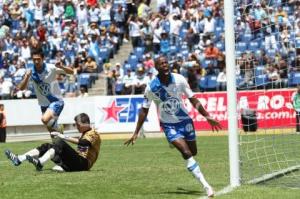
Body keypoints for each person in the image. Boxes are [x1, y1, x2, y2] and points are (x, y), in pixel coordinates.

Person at [124, 56, 222, 197]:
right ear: (156, 67)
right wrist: (136, 132)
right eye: (161, 63)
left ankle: (173, 142)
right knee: (186, 153)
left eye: (166, 63)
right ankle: (207, 186)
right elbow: (144, 110)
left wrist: (207, 116)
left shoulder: (179, 79)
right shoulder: (151, 87)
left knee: (193, 152)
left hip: (185, 121)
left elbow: (193, 99)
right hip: (169, 125)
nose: (165, 65)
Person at [5, 113, 101, 172]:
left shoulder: (93, 133)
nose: (76, 127)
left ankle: (40, 162)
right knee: (48, 146)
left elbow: (84, 143)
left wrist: (63, 136)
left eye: (77, 125)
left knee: (60, 142)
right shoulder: (85, 133)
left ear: (82, 124)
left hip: (83, 164)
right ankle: (20, 158)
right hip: (77, 163)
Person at [17, 47, 74, 134]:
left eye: (38, 59)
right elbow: (21, 88)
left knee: (44, 119)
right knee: (52, 131)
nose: (36, 61)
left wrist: (62, 66)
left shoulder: (51, 68)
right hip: (43, 104)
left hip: (56, 101)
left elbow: (71, 72)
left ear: (43, 59)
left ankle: (59, 128)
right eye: (34, 59)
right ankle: (59, 144)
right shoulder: (30, 72)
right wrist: (26, 77)